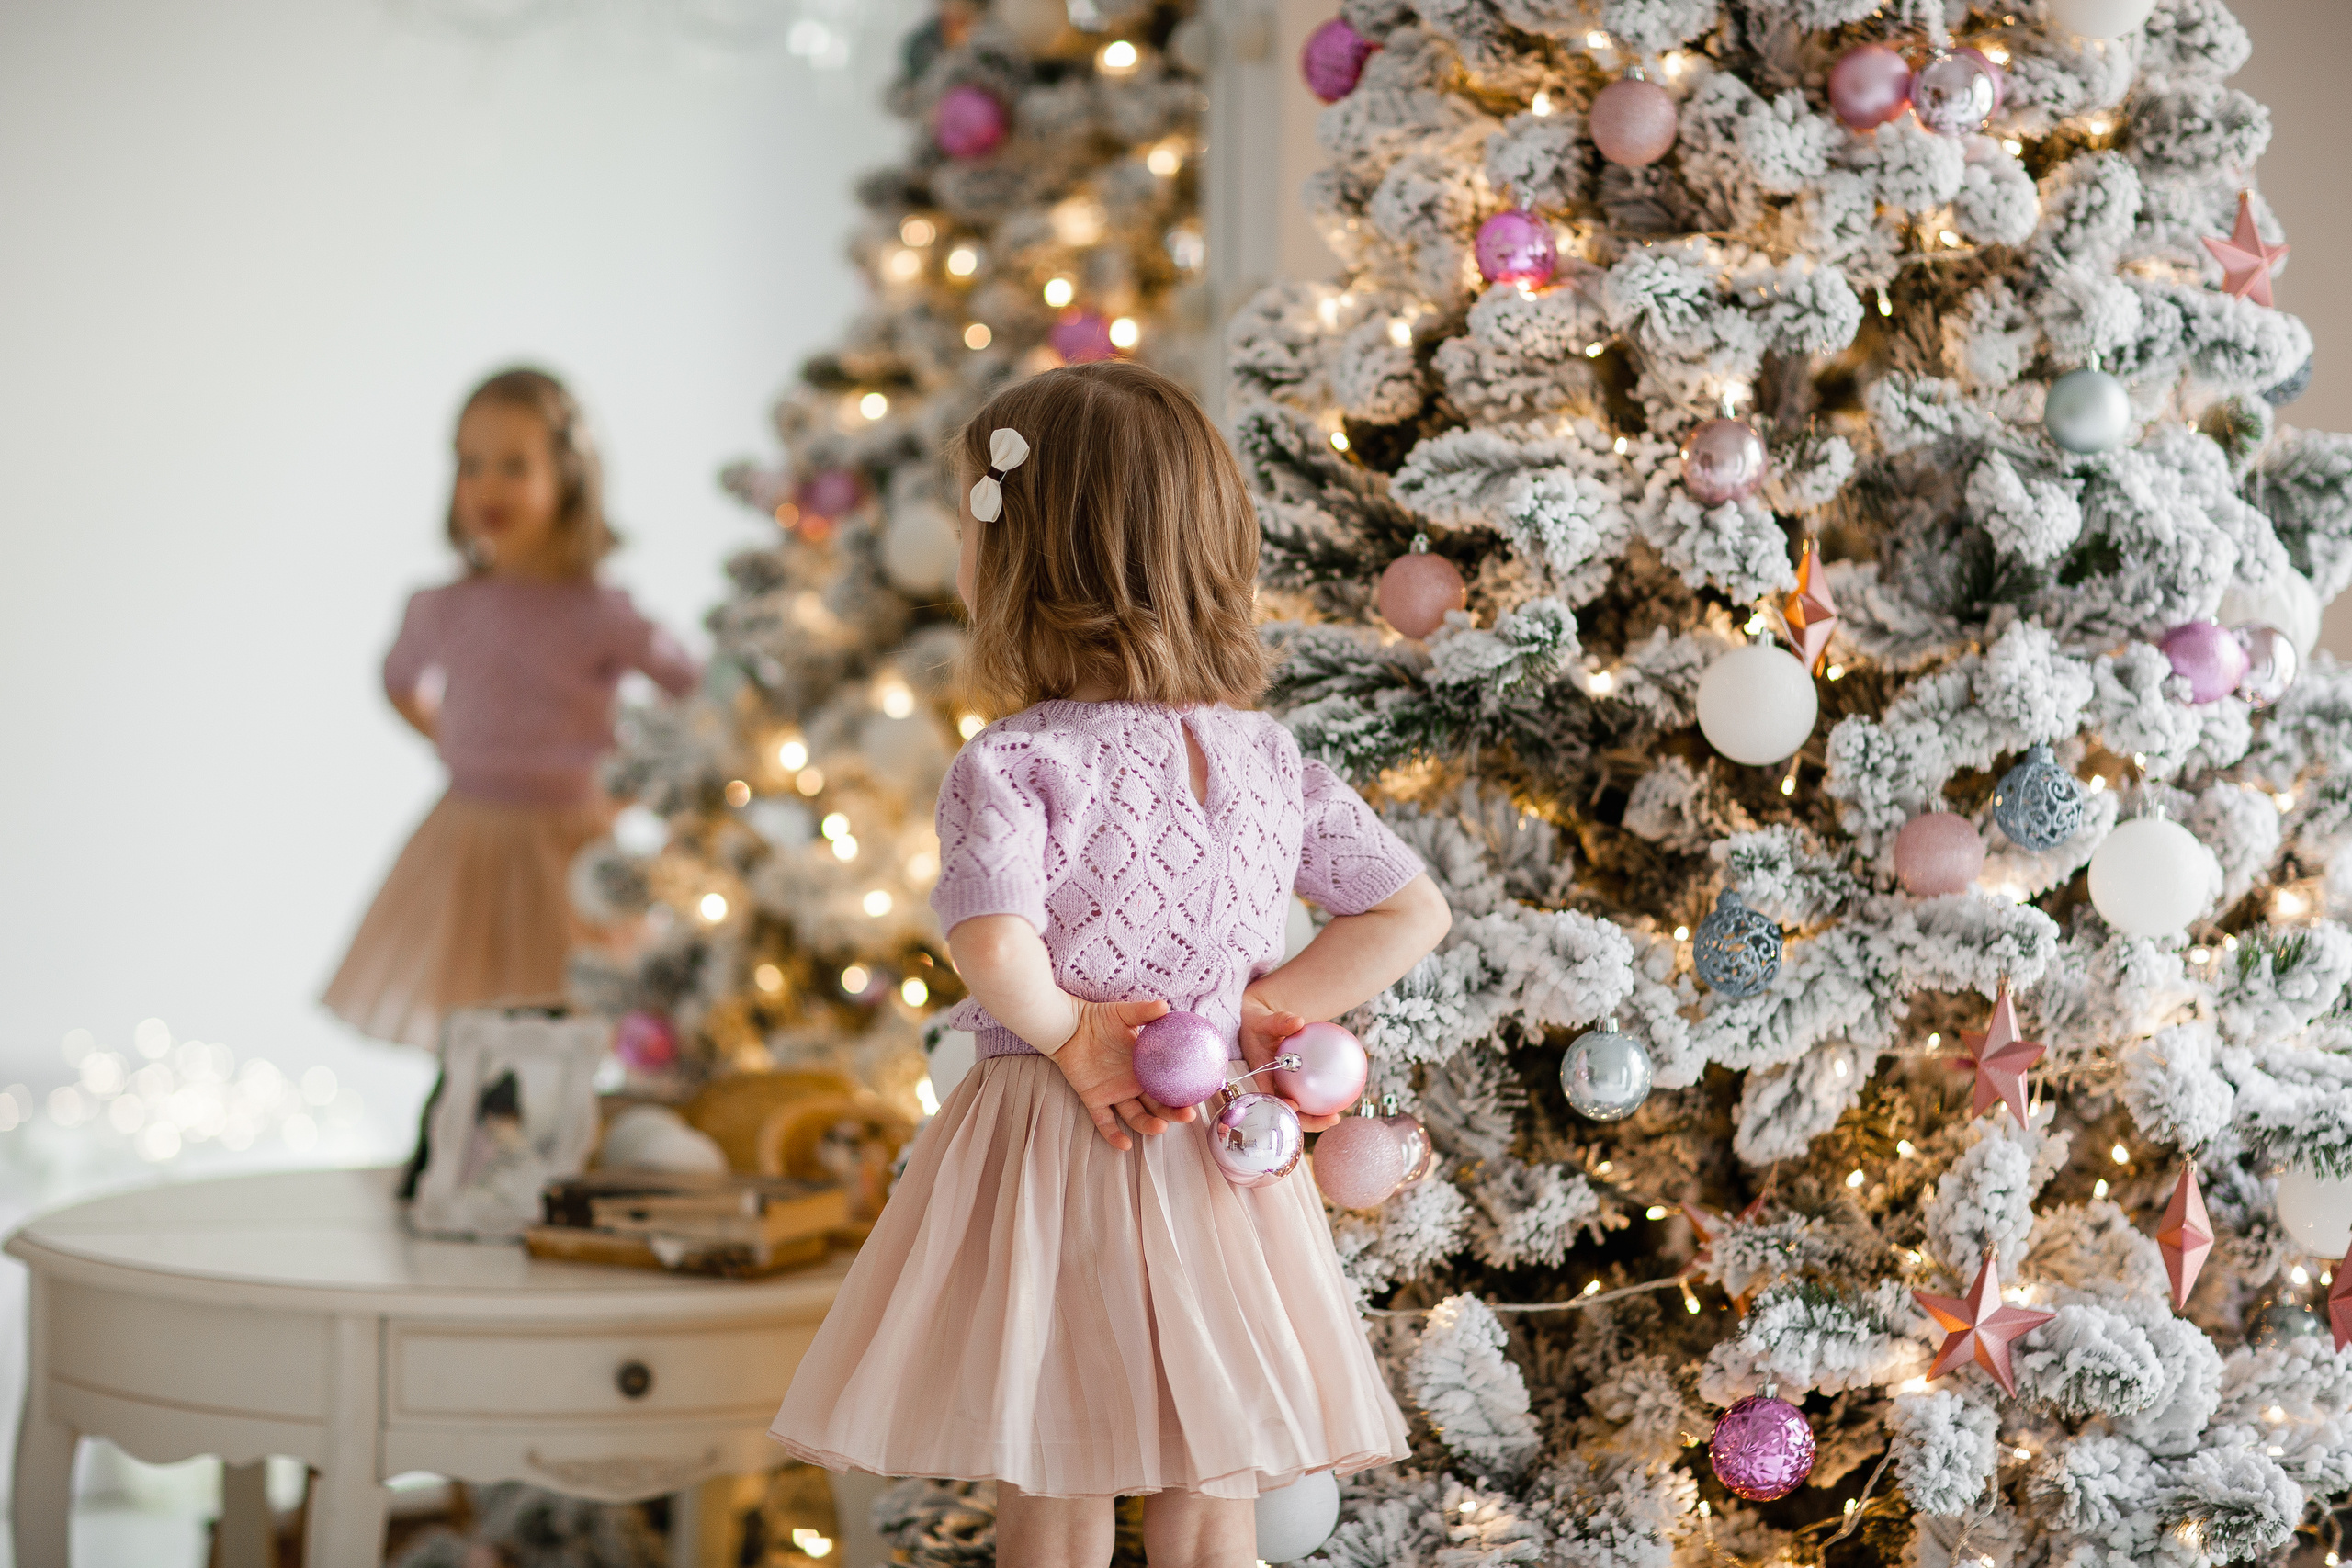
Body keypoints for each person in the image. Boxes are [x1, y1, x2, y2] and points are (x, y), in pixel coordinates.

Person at [769, 362, 1453, 1568]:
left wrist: (1074, 1033)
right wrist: (1263, 1011)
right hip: (1221, 1148)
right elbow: (1407, 909)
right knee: (1209, 1479)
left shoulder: (1020, 759)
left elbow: (991, 934)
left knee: (1056, 1470)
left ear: (1027, 557)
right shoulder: (1264, 756)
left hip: (1063, 1136)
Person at [322, 368, 698, 1052]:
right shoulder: (444, 606)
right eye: (471, 464)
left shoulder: (599, 612)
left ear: (569, 477)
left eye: (514, 465)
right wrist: (450, 740)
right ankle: (467, 1138)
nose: (488, 485)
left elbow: (693, 689)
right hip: (470, 840)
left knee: (564, 1020)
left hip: (569, 848)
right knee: (470, 1014)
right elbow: (398, 678)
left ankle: (555, 1139)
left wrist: (635, 785)